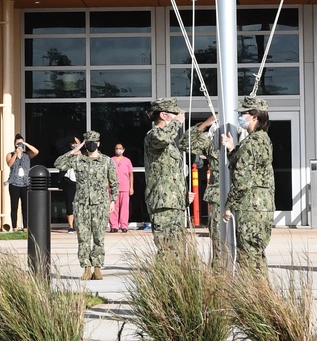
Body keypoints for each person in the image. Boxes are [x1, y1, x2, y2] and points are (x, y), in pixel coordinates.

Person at [143, 98, 217, 247]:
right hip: (162, 202)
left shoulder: (170, 143)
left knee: (177, 246)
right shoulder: (153, 135)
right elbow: (162, 138)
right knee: (167, 247)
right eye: (175, 114)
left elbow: (171, 174)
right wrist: (177, 122)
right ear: (164, 115)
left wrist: (182, 194)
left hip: (174, 202)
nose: (179, 117)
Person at [54, 130, 119, 280]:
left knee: (98, 237)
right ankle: (86, 268)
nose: (91, 145)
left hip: (100, 204)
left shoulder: (106, 161)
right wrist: (77, 148)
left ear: (98, 143)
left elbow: (114, 183)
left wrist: (113, 201)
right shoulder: (78, 160)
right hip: (82, 204)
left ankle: (97, 267)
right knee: (83, 237)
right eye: (88, 142)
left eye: (93, 142)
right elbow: (58, 163)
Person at [220, 96, 275, 271]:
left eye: (243, 113)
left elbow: (243, 179)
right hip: (262, 206)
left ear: (255, 117)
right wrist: (232, 149)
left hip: (251, 207)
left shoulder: (252, 142)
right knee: (257, 256)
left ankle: (252, 295)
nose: (240, 117)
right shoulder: (263, 139)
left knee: (248, 257)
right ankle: (261, 295)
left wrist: (229, 205)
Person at [5, 134, 37, 232]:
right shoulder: (10, 154)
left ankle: (26, 227)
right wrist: (16, 153)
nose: (19, 145)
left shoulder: (27, 155)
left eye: (21, 143)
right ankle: (14, 227)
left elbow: (36, 151)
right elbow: (9, 163)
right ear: (14, 144)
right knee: (14, 206)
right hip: (14, 184)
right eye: (18, 143)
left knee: (25, 207)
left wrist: (25, 144)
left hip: (25, 184)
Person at [109, 140, 134, 232]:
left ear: (123, 149)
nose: (118, 150)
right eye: (117, 149)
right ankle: (114, 226)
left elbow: (131, 174)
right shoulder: (111, 160)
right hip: (113, 188)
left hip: (125, 187)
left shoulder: (127, 161)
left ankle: (124, 225)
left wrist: (131, 187)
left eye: (120, 149)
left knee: (124, 207)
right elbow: (108, 174)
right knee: (113, 207)